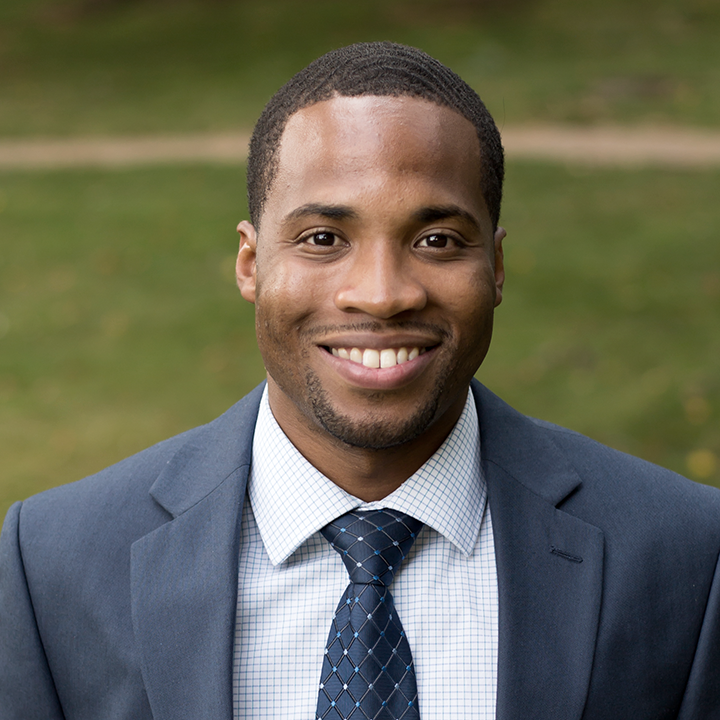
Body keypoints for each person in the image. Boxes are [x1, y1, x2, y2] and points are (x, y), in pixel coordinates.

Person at [1, 42, 719, 720]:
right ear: (251, 263)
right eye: (323, 239)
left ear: (496, 268)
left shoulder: (685, 554)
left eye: (437, 240)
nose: (381, 294)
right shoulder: (53, 565)